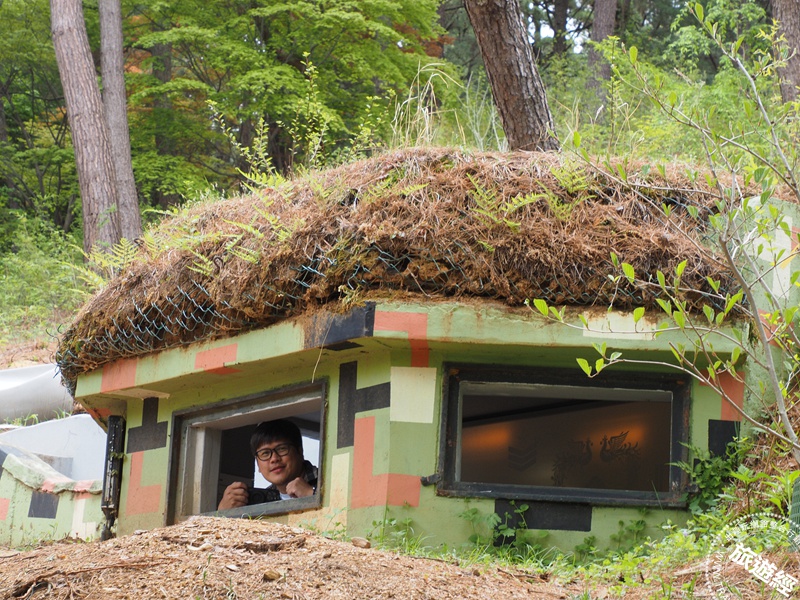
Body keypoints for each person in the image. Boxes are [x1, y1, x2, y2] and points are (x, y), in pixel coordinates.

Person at [218, 419, 318, 510]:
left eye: (281, 449)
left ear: (300, 452)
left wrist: (312, 495)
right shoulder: (259, 500)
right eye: (265, 453)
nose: (274, 459)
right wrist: (222, 512)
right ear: (257, 464)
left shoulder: (325, 483)